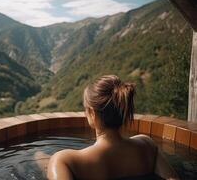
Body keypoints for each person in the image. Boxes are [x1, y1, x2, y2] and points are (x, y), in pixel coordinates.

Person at [46, 75, 179, 180]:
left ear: (92, 113)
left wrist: (52, 163)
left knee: (43, 160)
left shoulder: (65, 161)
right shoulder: (147, 146)